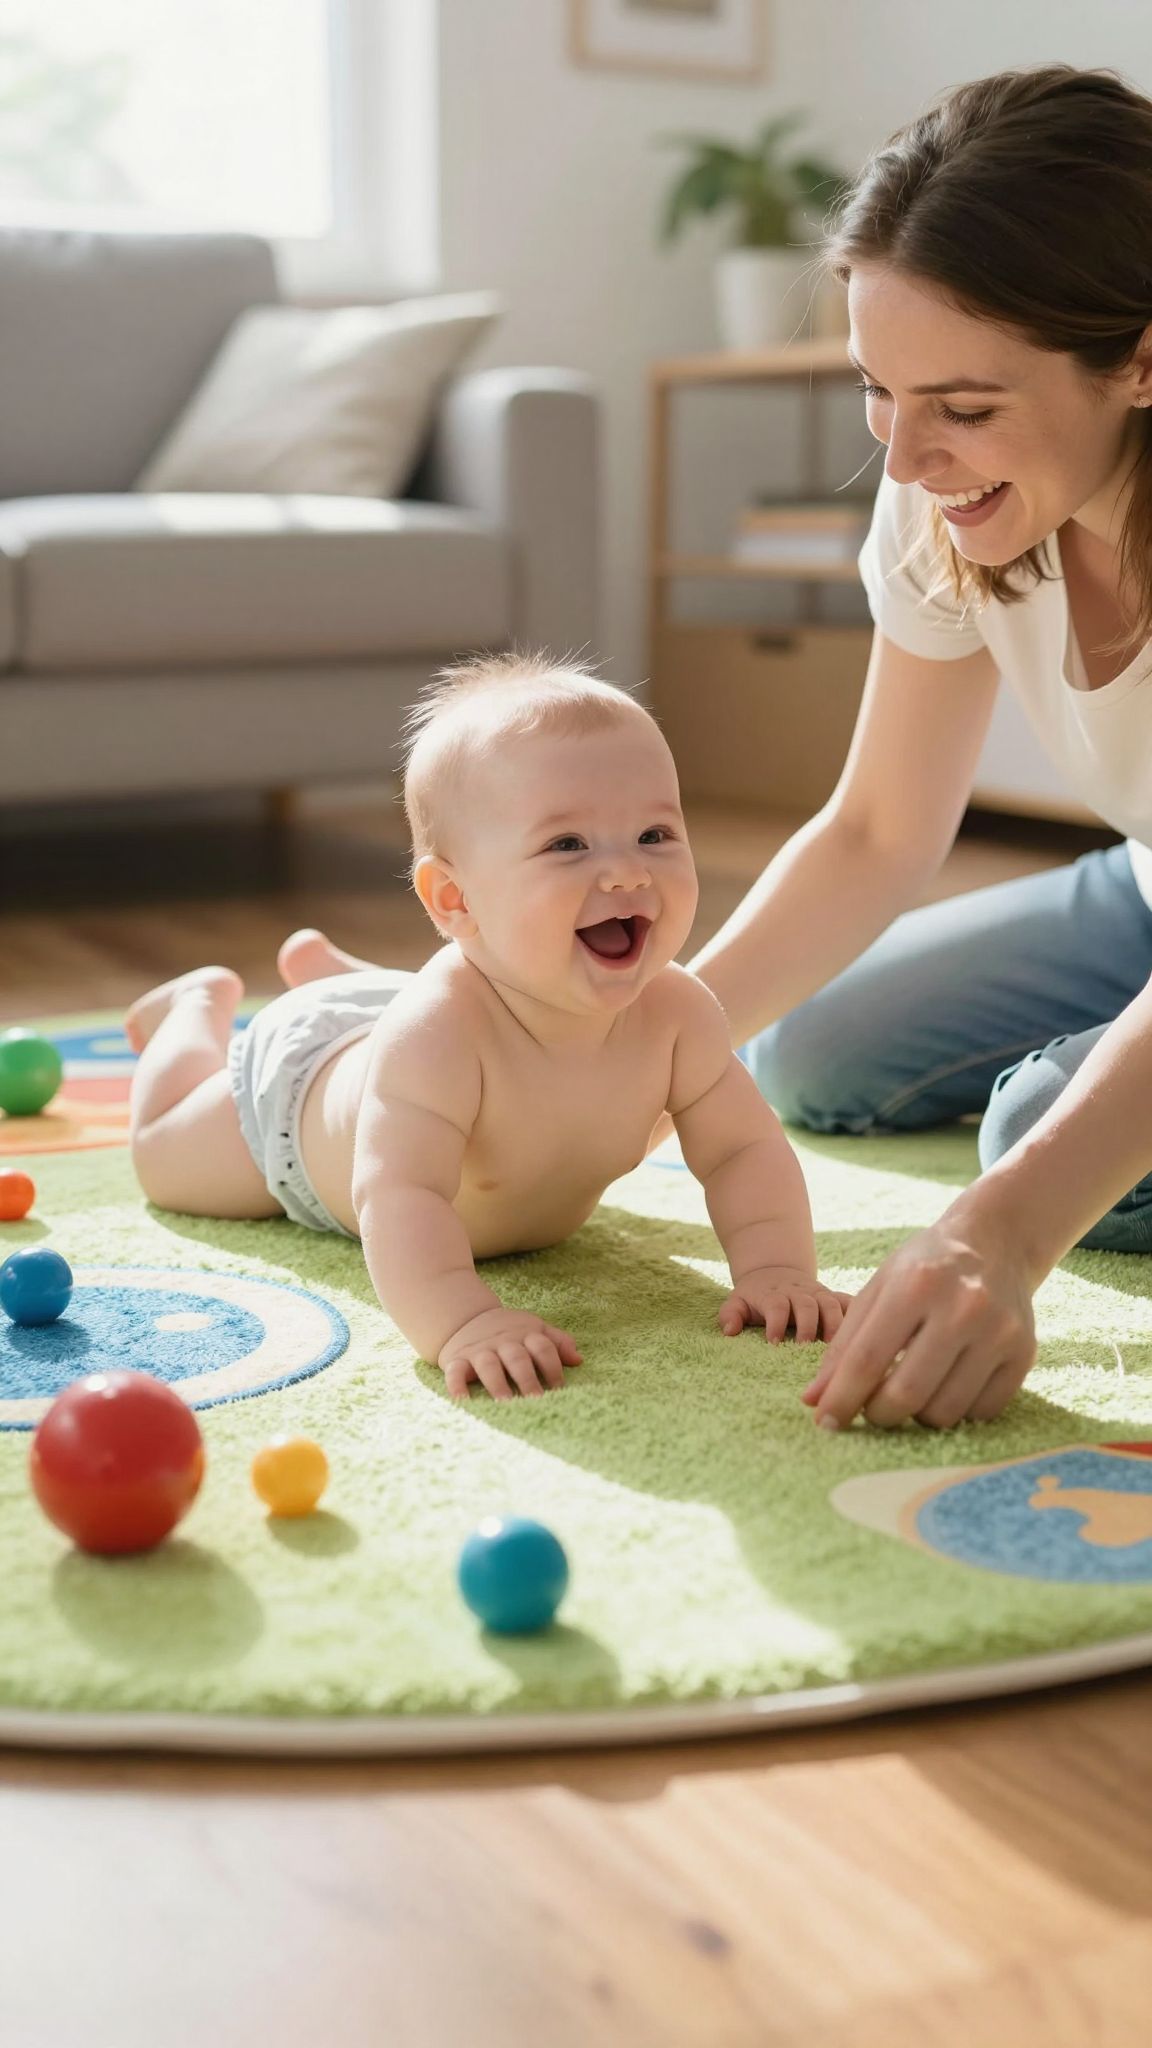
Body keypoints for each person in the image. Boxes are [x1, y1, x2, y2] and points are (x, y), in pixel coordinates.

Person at [274, 65, 1152, 1436]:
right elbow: (876, 833)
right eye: (877, 389)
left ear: (1139, 357)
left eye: (965, 408)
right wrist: (630, 1047)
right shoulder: (947, 513)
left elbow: (1021, 1202)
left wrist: (1009, 1228)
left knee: (1035, 1133)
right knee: (804, 1057)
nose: (908, 459)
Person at [126, 656, 849, 1401]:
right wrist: (462, 1321)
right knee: (163, 1158)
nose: (628, 873)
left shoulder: (679, 1012)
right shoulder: (438, 1035)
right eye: (568, 845)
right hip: (300, 1097)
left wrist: (777, 1271)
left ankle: (344, 977)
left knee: (488, 980)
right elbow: (400, 1195)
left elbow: (743, 1151)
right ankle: (194, 1009)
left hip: (446, 997)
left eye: (655, 833)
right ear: (453, 899)